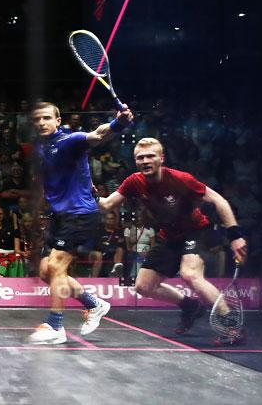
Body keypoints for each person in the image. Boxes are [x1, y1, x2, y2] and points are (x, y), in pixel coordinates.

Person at [98, 137, 248, 335]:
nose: (145, 161)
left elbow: (218, 200)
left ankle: (231, 324)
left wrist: (235, 234)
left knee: (190, 275)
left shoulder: (180, 179)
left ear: (161, 158)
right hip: (168, 236)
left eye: (150, 156)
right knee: (143, 286)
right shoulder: (134, 181)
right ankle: (190, 306)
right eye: (140, 158)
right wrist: (89, 194)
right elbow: (107, 204)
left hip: (195, 231)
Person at [28, 101, 133, 345]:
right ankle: (94, 304)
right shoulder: (43, 147)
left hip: (79, 214)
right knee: (46, 272)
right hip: (60, 215)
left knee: (56, 267)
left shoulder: (69, 140)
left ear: (57, 120)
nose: (41, 123)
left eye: (46, 118)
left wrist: (119, 123)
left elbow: (97, 136)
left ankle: (55, 325)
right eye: (37, 120)